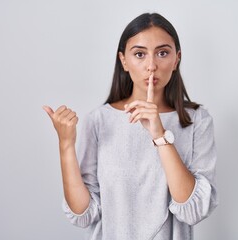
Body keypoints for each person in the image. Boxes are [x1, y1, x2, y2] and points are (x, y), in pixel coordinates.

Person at [43, 12, 218, 240]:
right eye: (139, 54)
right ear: (124, 60)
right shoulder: (99, 121)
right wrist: (65, 144)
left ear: (176, 59)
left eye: (163, 53)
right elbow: (83, 213)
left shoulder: (197, 121)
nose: (151, 65)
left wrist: (159, 135)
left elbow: (193, 210)